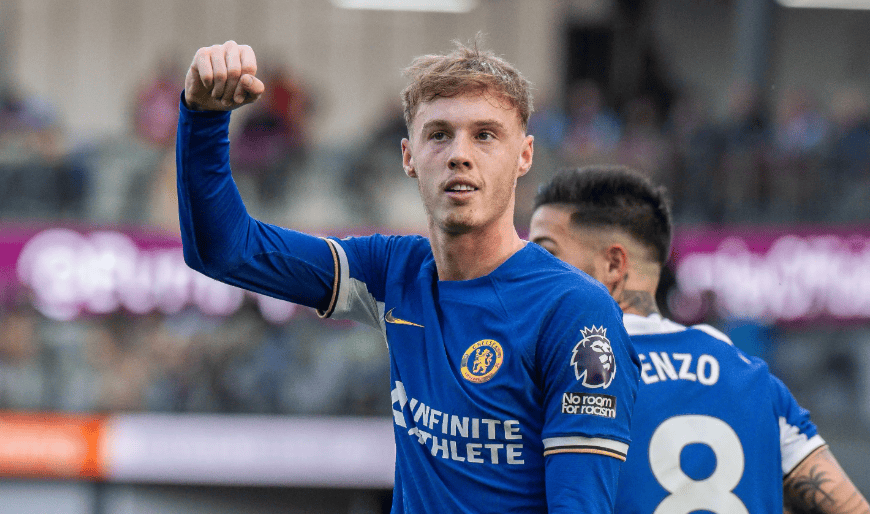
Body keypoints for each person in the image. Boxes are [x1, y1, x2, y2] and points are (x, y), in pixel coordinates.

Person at [176, 40, 640, 513]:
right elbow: (227, 250)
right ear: (408, 156)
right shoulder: (392, 273)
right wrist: (203, 118)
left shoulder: (575, 311)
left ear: (524, 155)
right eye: (438, 135)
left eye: (485, 135)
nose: (459, 154)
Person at [529, 165, 870, 513]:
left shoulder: (560, 375)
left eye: (546, 253)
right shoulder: (753, 379)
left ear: (614, 265)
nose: (529, 271)